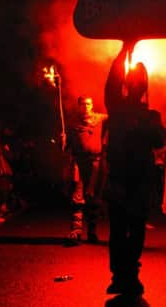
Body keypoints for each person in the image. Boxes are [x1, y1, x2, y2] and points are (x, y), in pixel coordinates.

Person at [103, 40, 166, 297]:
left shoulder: (150, 116)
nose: (138, 83)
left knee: (135, 228)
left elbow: (159, 140)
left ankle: (129, 273)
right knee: (120, 228)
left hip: (139, 178)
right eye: (134, 79)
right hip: (120, 176)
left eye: (141, 80)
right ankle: (121, 275)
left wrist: (147, 127)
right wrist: (124, 50)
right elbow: (112, 82)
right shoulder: (117, 108)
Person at [64, 95, 107, 244]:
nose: (86, 107)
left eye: (88, 104)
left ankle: (92, 231)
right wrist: (63, 141)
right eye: (83, 104)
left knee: (94, 198)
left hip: (96, 164)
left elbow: (117, 118)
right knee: (77, 197)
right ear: (79, 106)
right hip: (79, 164)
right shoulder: (72, 124)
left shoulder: (101, 119)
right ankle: (76, 231)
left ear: (92, 105)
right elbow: (66, 147)